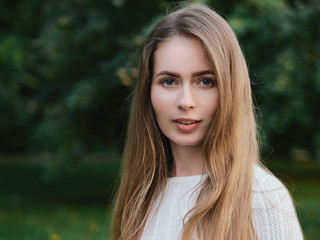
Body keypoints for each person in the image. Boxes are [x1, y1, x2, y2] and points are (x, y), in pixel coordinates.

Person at [111, 3, 303, 240]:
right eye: (169, 81)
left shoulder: (263, 199)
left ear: (230, 90)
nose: (186, 102)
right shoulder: (140, 196)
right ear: (148, 92)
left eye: (205, 82)